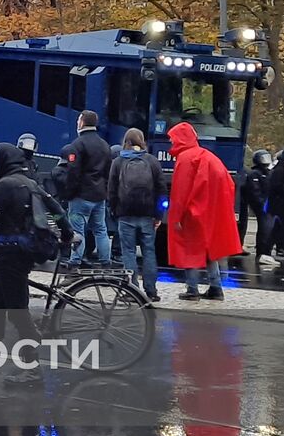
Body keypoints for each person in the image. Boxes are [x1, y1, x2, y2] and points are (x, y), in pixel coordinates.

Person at [0, 142, 70, 383]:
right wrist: (68, 234)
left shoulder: (6, 185)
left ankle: (32, 368)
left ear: (4, 160)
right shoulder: (30, 183)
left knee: (17, 312)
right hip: (20, 251)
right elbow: (56, 209)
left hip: (12, 254)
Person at [166, 123, 240, 300]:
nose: (170, 143)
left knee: (189, 250)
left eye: (172, 139)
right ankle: (216, 288)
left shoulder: (185, 158)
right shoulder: (208, 156)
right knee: (209, 249)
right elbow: (229, 184)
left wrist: (176, 216)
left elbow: (180, 191)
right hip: (210, 211)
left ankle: (192, 289)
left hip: (192, 213)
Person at [107, 128, 165, 302]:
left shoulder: (118, 162)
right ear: (142, 141)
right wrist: (159, 214)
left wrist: (115, 210)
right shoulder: (152, 162)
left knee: (129, 253)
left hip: (125, 215)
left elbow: (111, 190)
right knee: (149, 251)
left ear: (126, 141)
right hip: (148, 215)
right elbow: (161, 190)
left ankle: (132, 290)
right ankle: (151, 291)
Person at [63, 111, 113, 268]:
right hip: (99, 196)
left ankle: (75, 261)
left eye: (78, 119)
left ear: (82, 122)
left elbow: (73, 172)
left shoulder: (77, 145)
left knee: (78, 231)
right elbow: (108, 172)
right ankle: (106, 262)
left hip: (81, 195)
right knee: (100, 230)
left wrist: (69, 193)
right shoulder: (105, 145)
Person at [242, 151, 277, 266]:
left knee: (269, 229)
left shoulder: (269, 173)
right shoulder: (254, 174)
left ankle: (265, 252)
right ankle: (262, 253)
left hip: (269, 204)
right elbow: (254, 191)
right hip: (261, 205)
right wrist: (261, 203)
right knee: (264, 229)